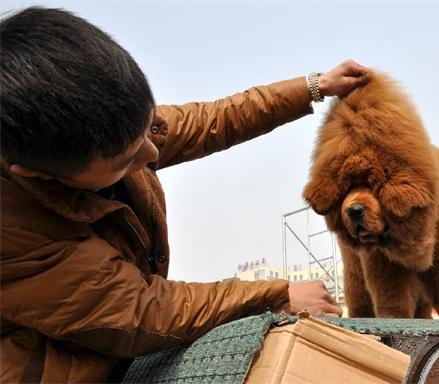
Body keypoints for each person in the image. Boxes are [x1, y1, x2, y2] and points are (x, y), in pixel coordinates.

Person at [0, 6, 370, 383]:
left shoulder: (105, 122)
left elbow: (213, 120)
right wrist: (275, 292)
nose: (152, 154)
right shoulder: (12, 231)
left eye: (148, 129)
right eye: (126, 160)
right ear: (34, 172)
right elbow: (140, 311)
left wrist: (313, 86)